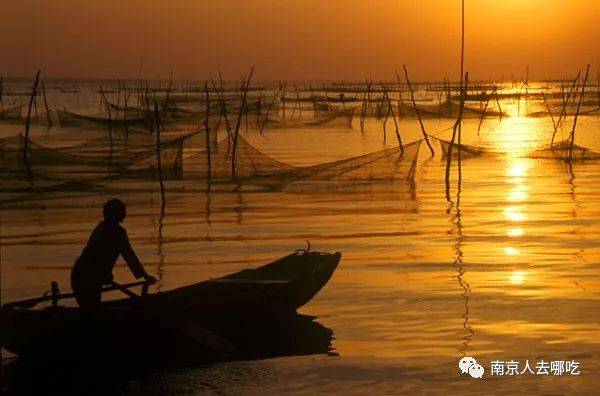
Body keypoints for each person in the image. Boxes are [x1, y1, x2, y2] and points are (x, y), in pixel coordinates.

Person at [71, 198, 155, 308]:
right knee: (91, 309)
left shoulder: (101, 227)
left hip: (79, 274)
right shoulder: (118, 233)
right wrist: (144, 275)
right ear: (115, 214)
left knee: (89, 308)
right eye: (122, 211)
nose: (125, 214)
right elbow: (129, 255)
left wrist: (105, 275)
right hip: (87, 277)